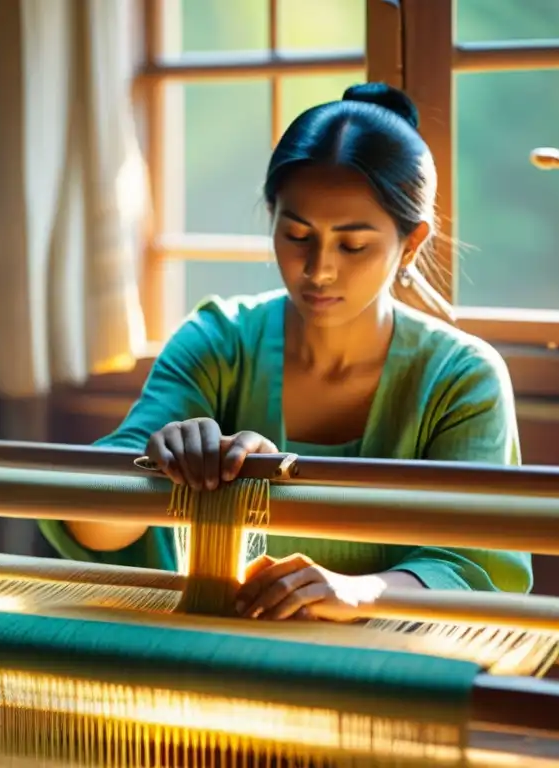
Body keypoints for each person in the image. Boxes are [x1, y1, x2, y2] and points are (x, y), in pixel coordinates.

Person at [39, 82, 532, 621]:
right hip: (207, 659)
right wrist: (160, 462)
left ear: (411, 242)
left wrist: (355, 592)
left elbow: (474, 566)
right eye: (297, 235)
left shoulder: (462, 378)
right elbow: (93, 523)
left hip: (391, 675)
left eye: (353, 245)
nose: (319, 269)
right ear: (271, 215)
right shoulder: (218, 341)